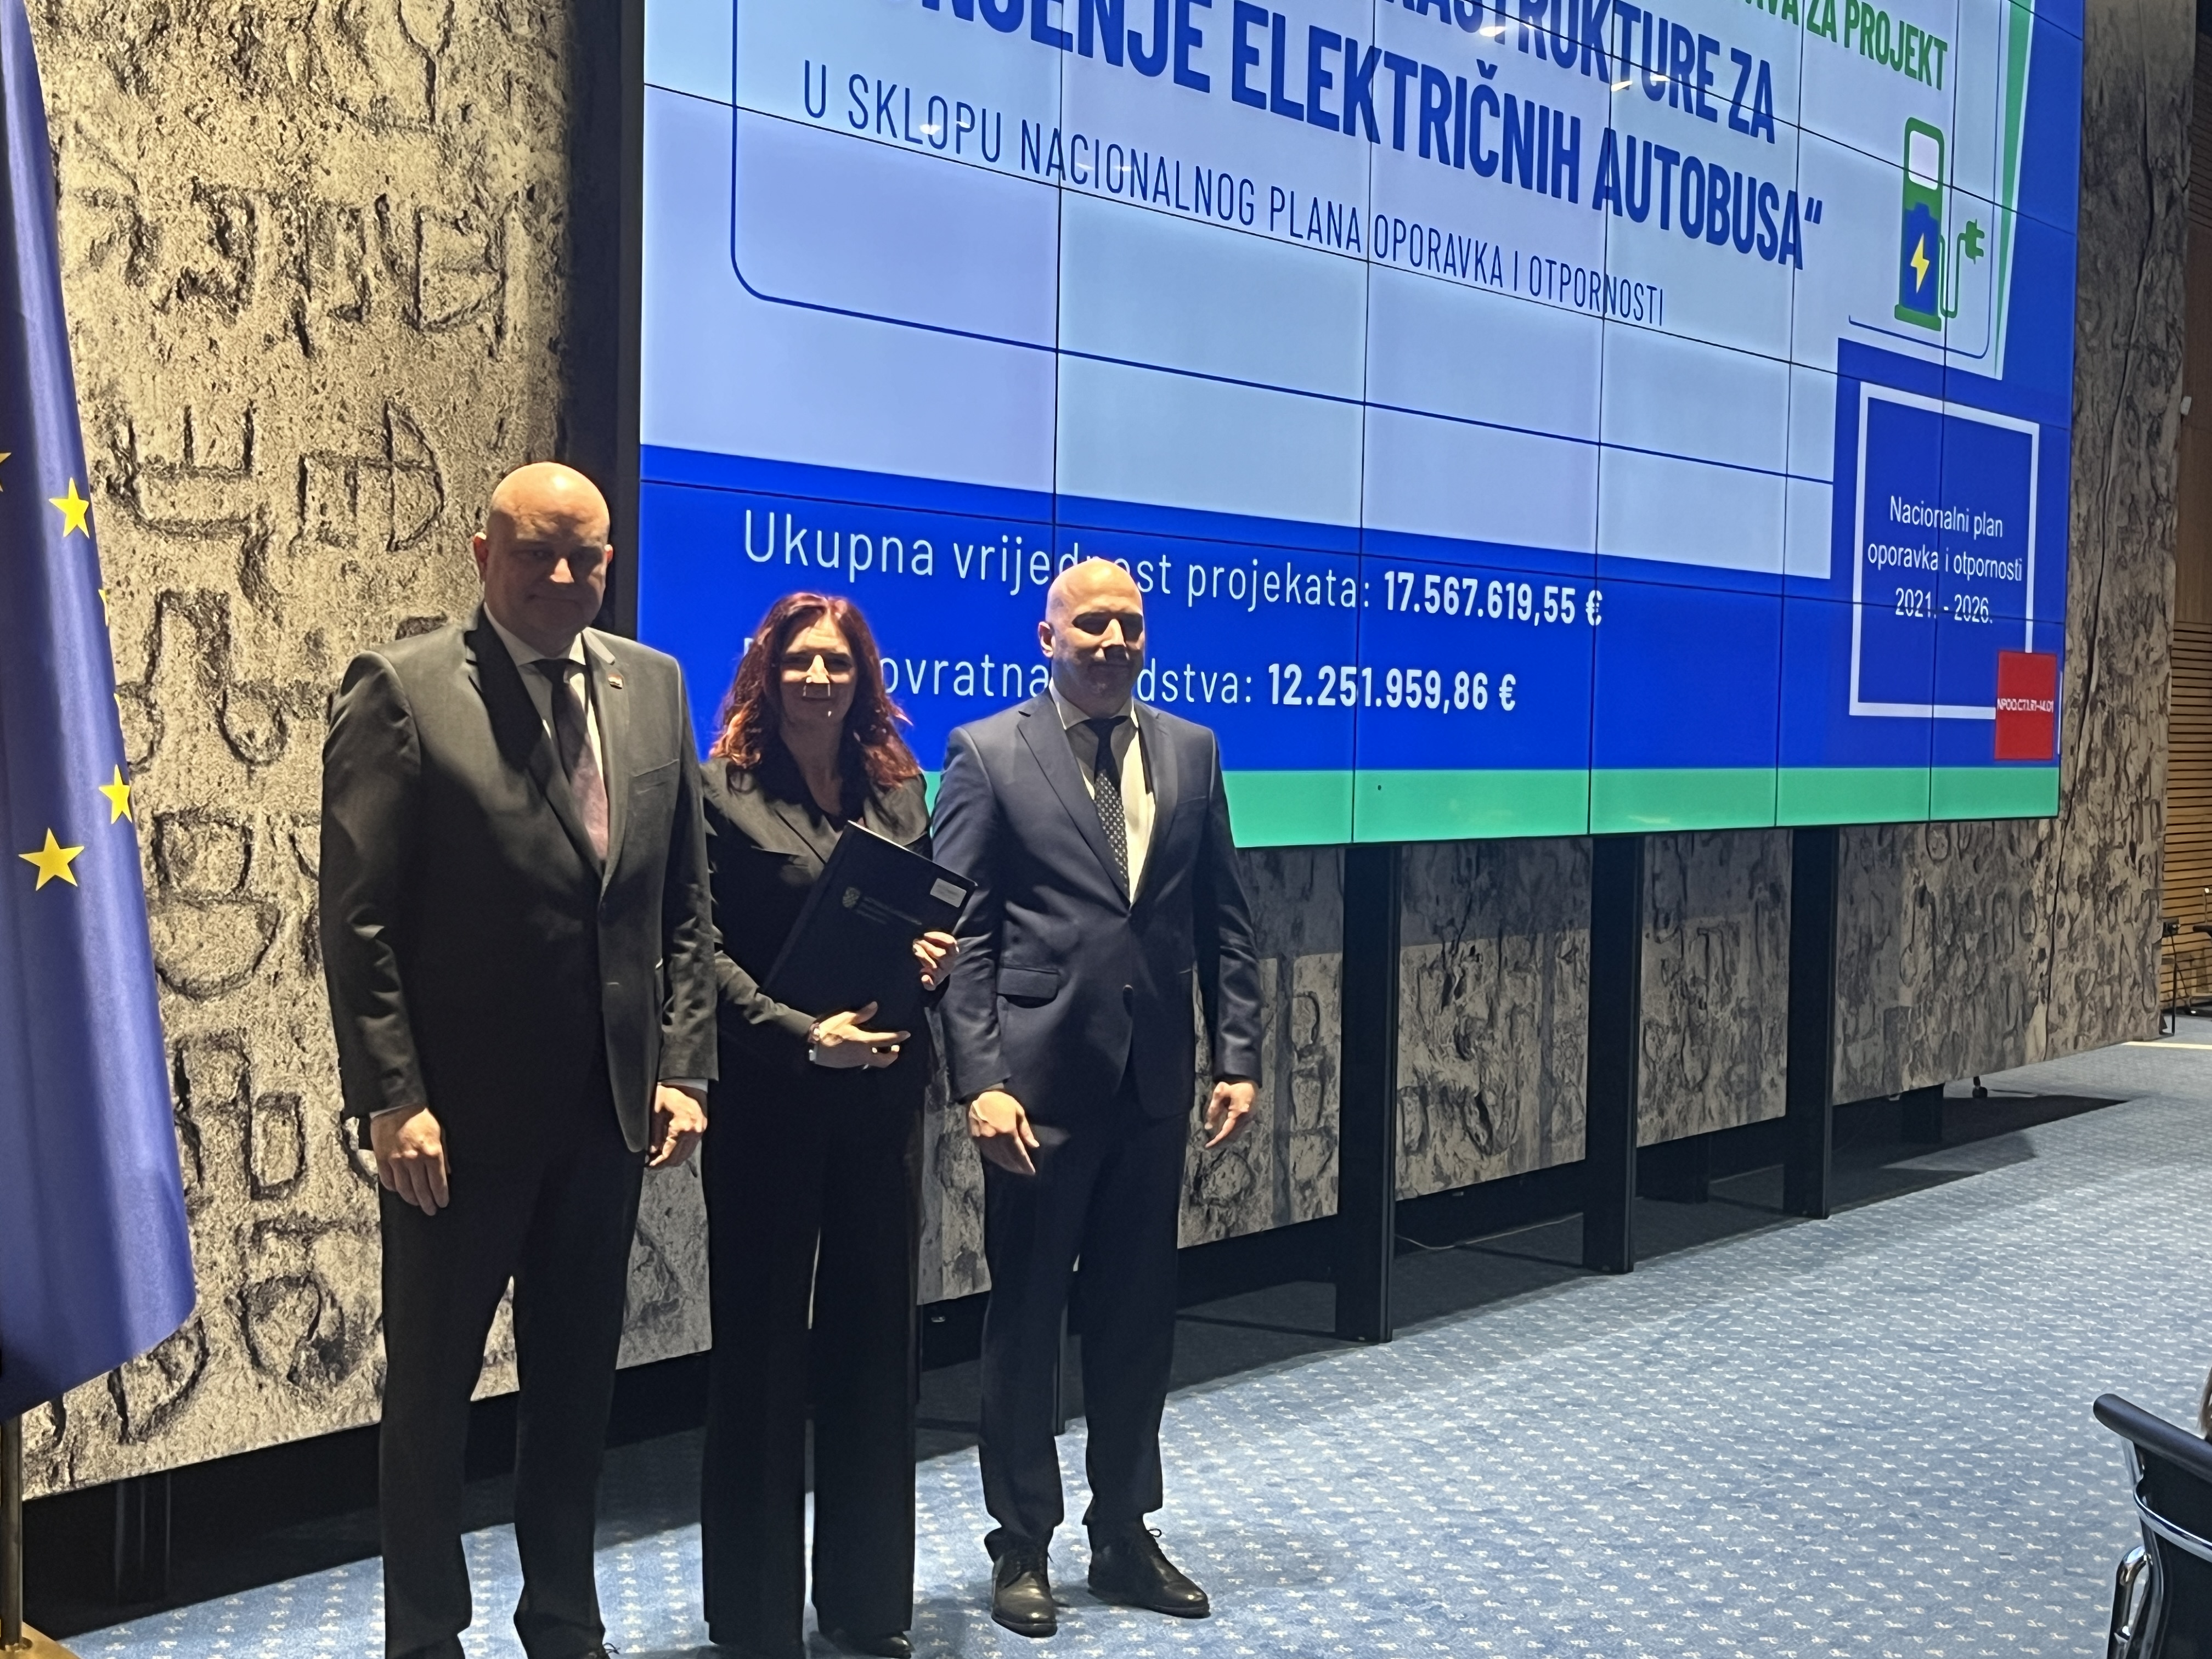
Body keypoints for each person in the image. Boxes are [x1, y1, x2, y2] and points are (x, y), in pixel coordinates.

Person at [319, 462, 716, 1659]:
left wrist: (683, 1067)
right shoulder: (402, 688)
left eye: (584, 554)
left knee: (576, 1389)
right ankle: (425, 1636)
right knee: (431, 1400)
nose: (561, 574)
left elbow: (683, 906)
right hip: (456, 1127)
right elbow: (359, 919)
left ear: (610, 562)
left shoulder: (654, 684)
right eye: (536, 551)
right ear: (483, 556)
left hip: (608, 1115)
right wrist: (393, 1098)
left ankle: (563, 1619)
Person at [930, 557, 1264, 1638]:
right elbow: (964, 937)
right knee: (1027, 1321)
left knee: (1135, 1320)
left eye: (1130, 624)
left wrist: (1239, 1055)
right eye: (1092, 625)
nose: (1114, 641)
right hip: (1037, 1091)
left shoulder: (1192, 749)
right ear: (1049, 637)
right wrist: (979, 1081)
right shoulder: (986, 752)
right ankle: (1021, 1542)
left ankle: (1123, 1531)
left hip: (1154, 1084)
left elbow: (1225, 918)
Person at [696, 594, 953, 1659]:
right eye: (800, 660)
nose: (818, 679)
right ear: (768, 670)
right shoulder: (718, 791)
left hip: (881, 1100)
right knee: (760, 1359)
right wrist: (805, 1035)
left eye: (838, 663)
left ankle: (866, 1603)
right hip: (768, 1100)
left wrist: (930, 961)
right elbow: (697, 954)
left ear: (863, 678)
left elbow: (923, 925)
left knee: (876, 1351)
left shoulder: (898, 789)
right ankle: (755, 1619)